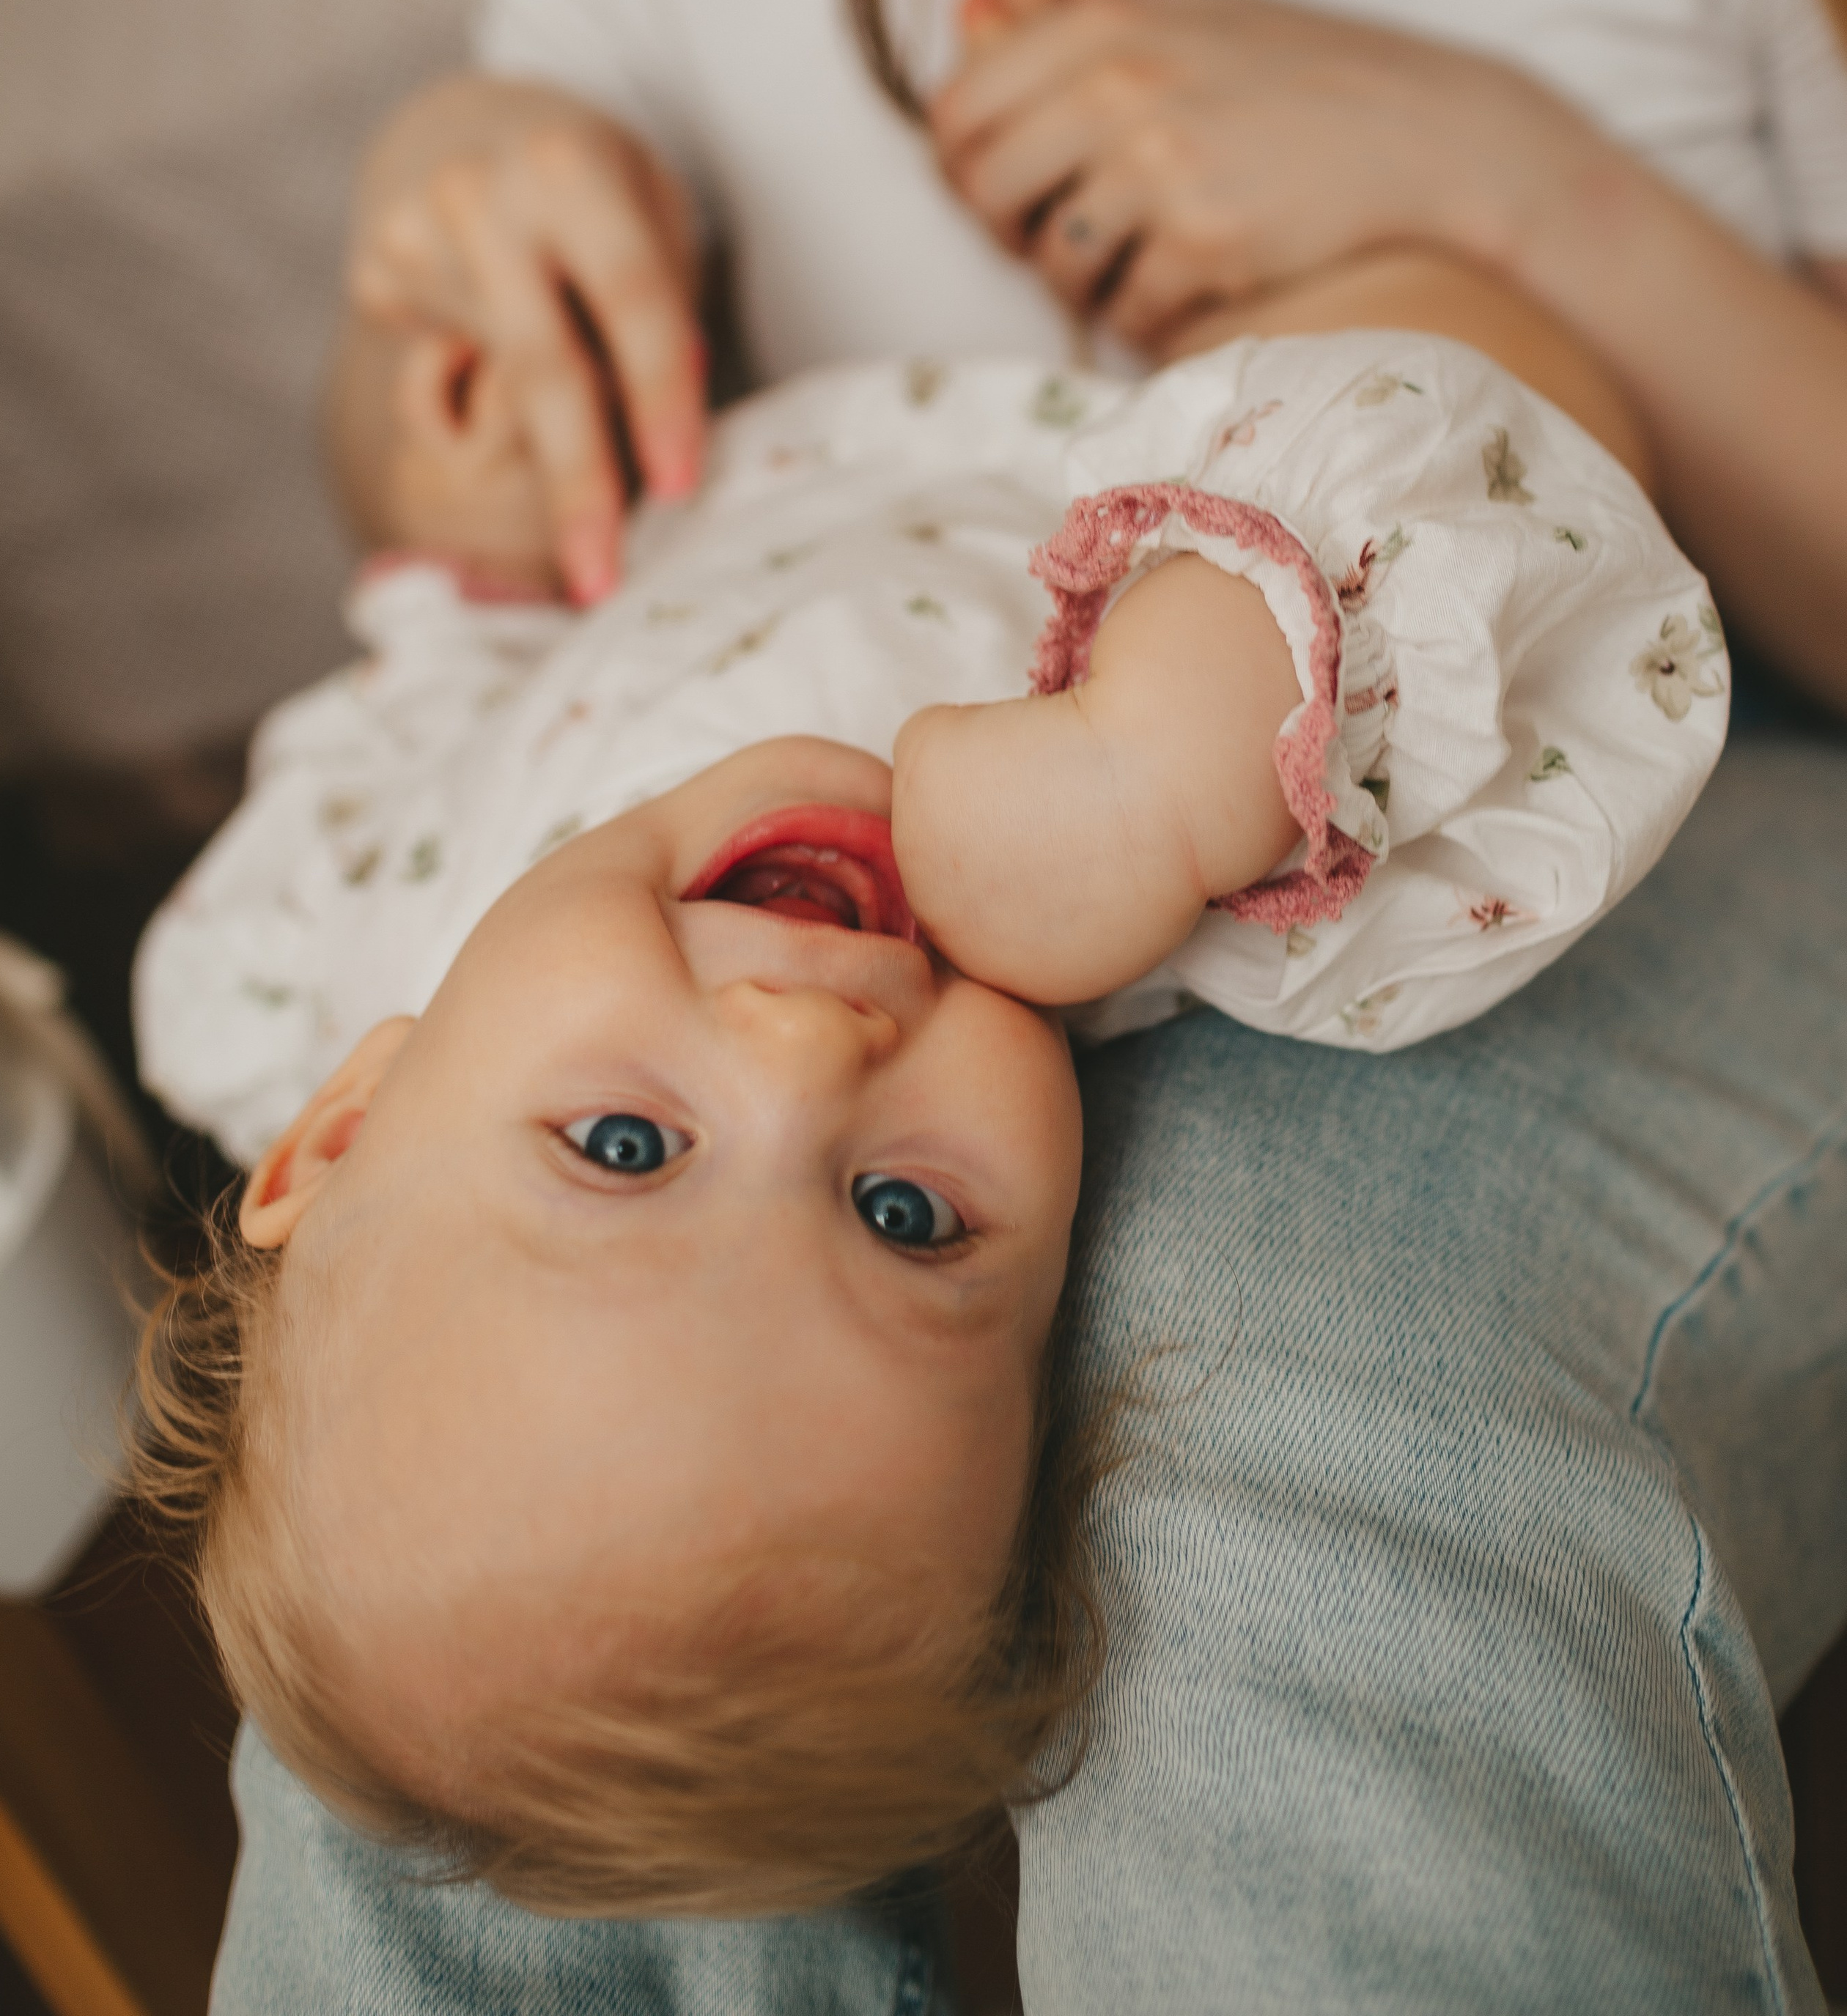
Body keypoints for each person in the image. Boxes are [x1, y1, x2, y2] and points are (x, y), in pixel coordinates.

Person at [204, 0, 1847, 2001]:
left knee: (1246, 1423)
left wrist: (1502, 187)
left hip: (1691, 836)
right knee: (481, 1616)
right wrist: (446, 248)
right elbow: (467, 547)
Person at [130, 306, 1722, 1918]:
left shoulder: (292, 971)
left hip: (710, 429)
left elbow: (418, 702)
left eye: (624, 1147)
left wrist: (476, 543)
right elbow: (1539, 482)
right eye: (903, 1217)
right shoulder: (1183, 909)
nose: (807, 1054)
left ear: (347, 1122)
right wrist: (1167, 759)